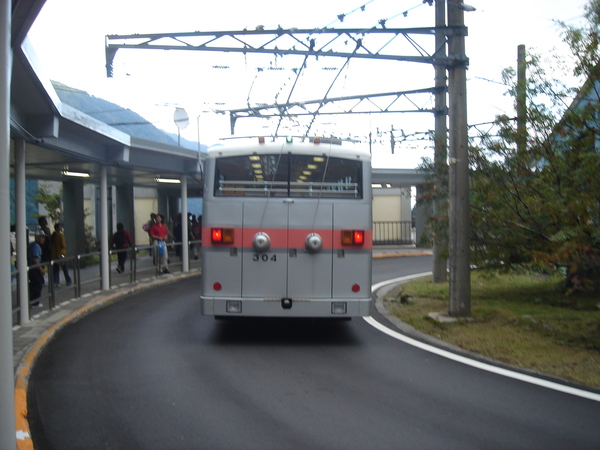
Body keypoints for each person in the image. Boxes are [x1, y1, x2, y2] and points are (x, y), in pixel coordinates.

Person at [27, 231, 47, 307]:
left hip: (30, 267)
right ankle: (35, 302)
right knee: (37, 284)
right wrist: (40, 269)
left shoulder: (31, 245)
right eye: (42, 237)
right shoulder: (36, 246)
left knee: (32, 285)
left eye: (44, 237)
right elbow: (35, 258)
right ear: (37, 238)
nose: (43, 239)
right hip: (34, 267)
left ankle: (31, 301)